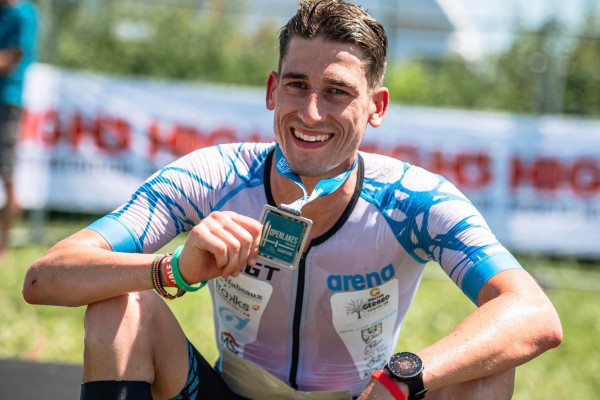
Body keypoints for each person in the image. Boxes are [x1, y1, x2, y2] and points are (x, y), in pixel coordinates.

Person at [23, 1, 562, 399]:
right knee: (123, 303)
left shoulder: (414, 199)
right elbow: (45, 278)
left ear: (376, 107)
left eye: (337, 91)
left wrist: (403, 378)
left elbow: (533, 314)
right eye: (297, 85)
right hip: (226, 392)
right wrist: (172, 270)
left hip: (366, 396)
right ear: (271, 90)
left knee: (487, 367)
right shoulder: (213, 175)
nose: (310, 112)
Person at [0, 0, 37, 262]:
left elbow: (12, 57)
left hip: (7, 101)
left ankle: (4, 244)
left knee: (7, 173)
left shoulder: (22, 14)